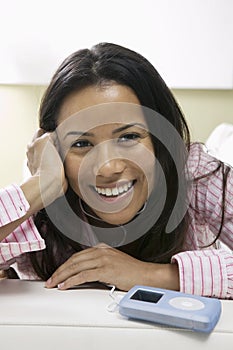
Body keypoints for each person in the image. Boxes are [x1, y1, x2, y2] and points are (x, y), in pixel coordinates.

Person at [0, 42, 233, 299]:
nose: (108, 167)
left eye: (128, 137)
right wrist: (41, 185)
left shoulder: (195, 174)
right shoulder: (45, 200)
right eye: (81, 143)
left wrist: (146, 275)